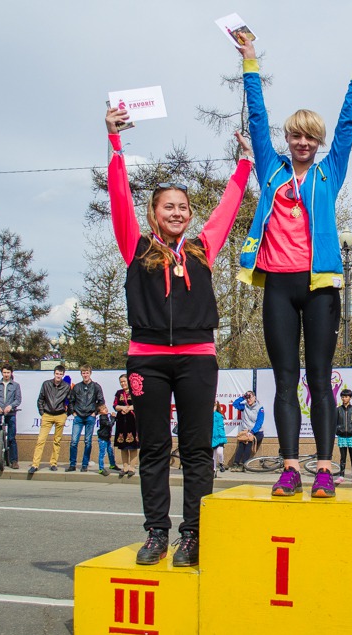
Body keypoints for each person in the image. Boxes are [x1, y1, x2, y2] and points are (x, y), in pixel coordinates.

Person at [234, 28, 352, 499]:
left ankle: (324, 468)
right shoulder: (271, 168)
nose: (303, 142)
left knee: (319, 380)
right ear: (287, 138)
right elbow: (257, 117)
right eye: (296, 135)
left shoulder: (329, 170)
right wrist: (250, 61)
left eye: (310, 136)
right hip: (278, 285)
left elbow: (348, 123)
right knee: (284, 380)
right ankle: (288, 467)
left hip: (320, 285)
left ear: (319, 142)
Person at [105, 106, 252, 567]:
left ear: (190, 215)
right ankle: (155, 533)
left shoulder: (202, 247)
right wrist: (115, 143)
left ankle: (192, 536)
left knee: (196, 451)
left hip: (197, 359)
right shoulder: (136, 244)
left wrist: (244, 163)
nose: (176, 212)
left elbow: (228, 207)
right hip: (146, 359)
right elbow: (118, 197)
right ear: (153, 212)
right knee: (153, 448)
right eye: (168, 206)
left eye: (183, 207)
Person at [29, 365, 71, 475]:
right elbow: (40, 399)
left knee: (57, 440)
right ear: (54, 373)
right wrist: (42, 412)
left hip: (60, 414)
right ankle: (35, 464)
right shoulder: (46, 384)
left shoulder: (66, 386)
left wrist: (67, 414)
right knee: (41, 440)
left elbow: (71, 401)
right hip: (47, 414)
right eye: (57, 374)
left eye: (60, 374)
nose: (58, 376)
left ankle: (53, 463)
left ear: (63, 375)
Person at [67, 365, 105, 473]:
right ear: (81, 374)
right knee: (74, 441)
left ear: (90, 373)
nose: (85, 375)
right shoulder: (77, 387)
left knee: (88, 442)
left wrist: (95, 412)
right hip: (78, 417)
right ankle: (72, 464)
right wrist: (73, 412)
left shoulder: (96, 386)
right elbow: (71, 401)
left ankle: (84, 465)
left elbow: (101, 401)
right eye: (83, 373)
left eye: (87, 372)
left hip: (90, 417)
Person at [0, 365, 22, 469]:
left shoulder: (16, 385)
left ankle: (14, 461)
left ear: (11, 373)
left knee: (12, 438)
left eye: (8, 372)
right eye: (4, 372)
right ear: (1, 373)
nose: (6, 374)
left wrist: (10, 406)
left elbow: (18, 399)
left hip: (10, 413)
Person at [231, 391, 264, 470]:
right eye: (247, 398)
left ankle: (244, 464)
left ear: (254, 397)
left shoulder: (260, 408)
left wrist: (252, 432)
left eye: (250, 397)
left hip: (257, 432)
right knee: (242, 443)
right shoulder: (245, 406)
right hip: (246, 431)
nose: (249, 400)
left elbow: (259, 422)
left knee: (248, 441)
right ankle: (236, 463)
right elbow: (235, 404)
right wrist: (243, 397)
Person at [334, 389, 352, 484]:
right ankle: (341, 475)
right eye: (343, 397)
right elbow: (335, 423)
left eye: (346, 396)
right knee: (343, 457)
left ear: (350, 397)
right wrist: (338, 431)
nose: (344, 398)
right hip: (341, 436)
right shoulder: (337, 410)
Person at [113, 374, 138, 478]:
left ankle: (132, 467)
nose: (123, 383)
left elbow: (139, 404)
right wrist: (122, 407)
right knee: (123, 446)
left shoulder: (135, 392)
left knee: (133, 446)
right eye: (121, 382)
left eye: (124, 381)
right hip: (121, 422)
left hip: (133, 422)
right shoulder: (119, 393)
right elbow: (115, 405)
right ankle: (125, 466)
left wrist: (130, 408)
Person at [96, 405, 118, 476]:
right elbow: (110, 424)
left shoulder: (106, 417)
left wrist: (114, 418)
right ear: (100, 412)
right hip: (102, 438)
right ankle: (101, 469)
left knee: (110, 452)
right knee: (102, 453)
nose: (105, 409)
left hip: (107, 438)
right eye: (103, 409)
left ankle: (112, 465)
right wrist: (113, 417)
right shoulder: (102, 418)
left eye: (105, 408)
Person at [212, 401, 227, 475]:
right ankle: (214, 470)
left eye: (214, 406)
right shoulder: (206, 416)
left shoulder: (219, 416)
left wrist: (222, 437)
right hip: (211, 438)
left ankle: (221, 462)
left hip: (219, 438)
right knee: (213, 456)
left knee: (219, 452)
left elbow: (221, 427)